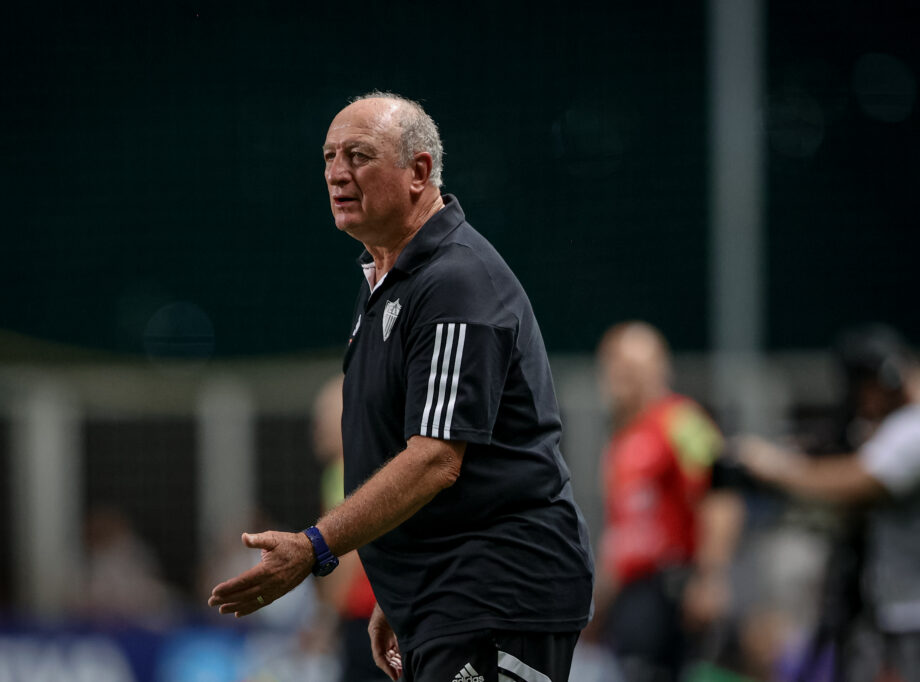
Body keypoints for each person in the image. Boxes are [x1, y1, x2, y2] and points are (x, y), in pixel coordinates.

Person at [209, 91, 594, 682]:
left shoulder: (456, 280)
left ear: (418, 172)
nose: (337, 172)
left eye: (359, 155)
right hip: (446, 594)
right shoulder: (389, 283)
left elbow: (436, 458)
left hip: (497, 593)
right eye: (329, 157)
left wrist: (313, 547)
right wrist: (397, 587)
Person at [738, 325, 920, 681]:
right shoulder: (895, 428)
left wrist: (776, 467)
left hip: (911, 613)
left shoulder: (911, 428)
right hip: (893, 607)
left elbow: (856, 480)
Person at [587, 322, 743, 681]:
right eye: (615, 367)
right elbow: (624, 531)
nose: (621, 378)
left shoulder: (681, 421)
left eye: (633, 370)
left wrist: (710, 578)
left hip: (670, 590)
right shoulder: (621, 440)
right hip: (634, 595)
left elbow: (721, 493)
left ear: (660, 371)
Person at [311, 374, 384, 681]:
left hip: (363, 618)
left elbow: (346, 549)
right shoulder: (384, 465)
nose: (314, 431)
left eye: (322, 418)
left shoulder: (342, 472)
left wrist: (325, 619)